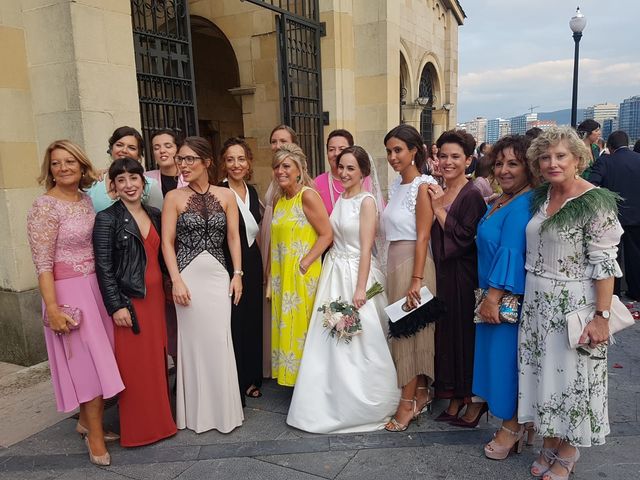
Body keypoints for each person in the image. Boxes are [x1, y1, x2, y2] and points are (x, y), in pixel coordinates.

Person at [519, 126, 623, 479]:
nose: (552, 163)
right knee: (545, 375)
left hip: (573, 303)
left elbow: (605, 264)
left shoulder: (594, 202)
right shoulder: (541, 197)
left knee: (577, 378)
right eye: (545, 157)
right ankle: (550, 438)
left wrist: (602, 316)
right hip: (537, 302)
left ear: (578, 158)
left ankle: (569, 449)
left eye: (561, 156)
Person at [287, 146, 399, 433]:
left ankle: (363, 401)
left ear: (363, 171)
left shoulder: (367, 202)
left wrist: (360, 289)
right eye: (341, 167)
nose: (345, 173)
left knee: (357, 339)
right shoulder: (341, 199)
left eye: (351, 168)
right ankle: (329, 399)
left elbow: (365, 250)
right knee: (331, 338)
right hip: (333, 273)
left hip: (354, 276)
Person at [27, 140, 124, 466]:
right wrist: (52, 309)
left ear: (81, 166)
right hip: (66, 294)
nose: (63, 168)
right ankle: (95, 435)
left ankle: (86, 421)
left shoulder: (85, 200)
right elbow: (42, 264)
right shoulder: (44, 207)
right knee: (88, 366)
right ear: (49, 169)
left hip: (94, 288)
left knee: (98, 359)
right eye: (56, 163)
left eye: (70, 161)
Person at [162, 136, 244, 433]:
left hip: (219, 276)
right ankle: (196, 414)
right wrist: (176, 281)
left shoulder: (226, 195)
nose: (182, 165)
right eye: (179, 159)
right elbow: (167, 244)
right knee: (193, 344)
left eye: (188, 159)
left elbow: (233, 237)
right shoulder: (173, 198)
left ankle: (224, 412)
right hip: (188, 278)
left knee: (219, 341)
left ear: (206, 162)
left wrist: (238, 274)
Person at [93, 157, 177, 447]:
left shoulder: (155, 214)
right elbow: (103, 268)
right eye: (121, 180)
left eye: (133, 178)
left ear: (143, 182)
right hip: (131, 302)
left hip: (155, 300)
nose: (128, 185)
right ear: (114, 187)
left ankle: (163, 423)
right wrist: (116, 305)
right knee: (134, 366)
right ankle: (140, 430)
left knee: (157, 361)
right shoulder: (107, 219)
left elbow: (164, 257)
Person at [471, 135, 536, 460]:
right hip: (490, 294)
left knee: (506, 365)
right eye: (499, 163)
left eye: (513, 163)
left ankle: (511, 427)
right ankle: (518, 424)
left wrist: (493, 298)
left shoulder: (524, 203)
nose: (504, 169)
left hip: (504, 300)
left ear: (529, 166)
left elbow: (511, 250)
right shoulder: (504, 199)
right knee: (497, 363)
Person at [381, 124, 439, 432]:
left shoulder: (422, 185)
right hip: (393, 263)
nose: (392, 157)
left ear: (414, 150)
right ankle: (419, 394)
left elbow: (423, 235)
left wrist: (416, 279)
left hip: (413, 266)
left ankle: (408, 405)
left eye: (398, 150)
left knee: (408, 334)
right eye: (389, 151)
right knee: (403, 331)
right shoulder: (396, 184)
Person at [427, 130, 487, 426]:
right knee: (447, 335)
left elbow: (464, 239)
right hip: (442, 273)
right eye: (443, 156)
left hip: (463, 275)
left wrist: (438, 209)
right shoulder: (440, 188)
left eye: (455, 157)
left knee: (464, 337)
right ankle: (453, 396)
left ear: (468, 160)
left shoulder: (472, 194)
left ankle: (470, 400)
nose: (447, 162)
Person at [270, 143, 333, 387]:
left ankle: (311, 384)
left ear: (299, 169)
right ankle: (295, 383)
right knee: (289, 325)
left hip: (302, 275)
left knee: (303, 328)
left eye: (286, 166)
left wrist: (305, 263)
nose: (280, 171)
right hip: (282, 276)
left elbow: (327, 234)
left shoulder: (307, 195)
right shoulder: (279, 199)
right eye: (276, 166)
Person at [219, 137, 264, 402]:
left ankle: (253, 377)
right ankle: (236, 378)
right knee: (234, 321)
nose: (236, 164)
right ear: (223, 164)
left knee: (252, 320)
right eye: (230, 159)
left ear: (249, 163)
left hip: (253, 260)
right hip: (229, 262)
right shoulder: (218, 191)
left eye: (241, 159)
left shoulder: (253, 191)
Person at [144, 128, 186, 364]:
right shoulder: (146, 179)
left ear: (178, 149)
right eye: (157, 147)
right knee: (167, 315)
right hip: (157, 255)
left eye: (168, 146)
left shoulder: (189, 176)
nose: (162, 151)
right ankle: (174, 361)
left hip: (186, 251)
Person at [259, 125, 298, 378]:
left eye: (283, 140)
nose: (277, 145)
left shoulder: (298, 185)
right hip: (271, 244)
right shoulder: (274, 182)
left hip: (291, 252)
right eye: (273, 141)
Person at [589, 130, 640, 301]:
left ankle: (613, 293)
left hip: (611, 217)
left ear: (610, 146)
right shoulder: (638, 159)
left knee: (612, 257)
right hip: (637, 216)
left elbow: (592, 184)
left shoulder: (605, 161)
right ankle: (636, 291)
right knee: (636, 255)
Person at [87, 126, 162, 212]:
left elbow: (158, 221)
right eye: (119, 145)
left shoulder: (150, 185)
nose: (124, 150)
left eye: (132, 148)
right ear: (111, 149)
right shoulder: (94, 181)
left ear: (139, 154)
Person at [313, 129, 373, 215]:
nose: (336, 153)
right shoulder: (318, 182)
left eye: (342, 149)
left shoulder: (365, 180)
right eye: (331, 149)